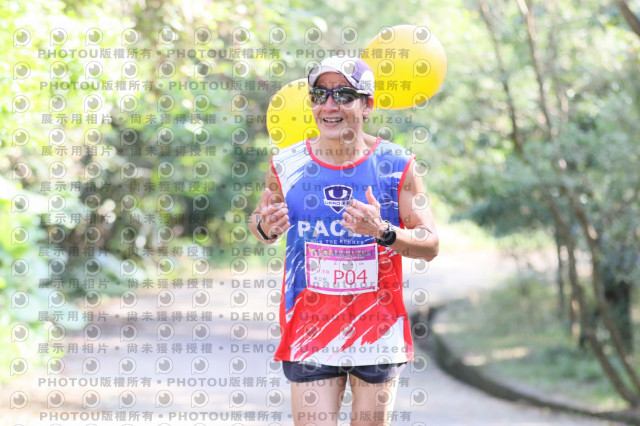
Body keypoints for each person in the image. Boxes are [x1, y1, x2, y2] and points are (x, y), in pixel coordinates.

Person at [249, 55, 439, 426]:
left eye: (344, 95)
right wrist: (266, 226)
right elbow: (260, 223)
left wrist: (383, 231)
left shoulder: (398, 165)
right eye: (319, 94)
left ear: (367, 104)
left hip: (377, 330)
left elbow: (430, 243)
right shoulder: (286, 164)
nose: (329, 105)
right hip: (310, 328)